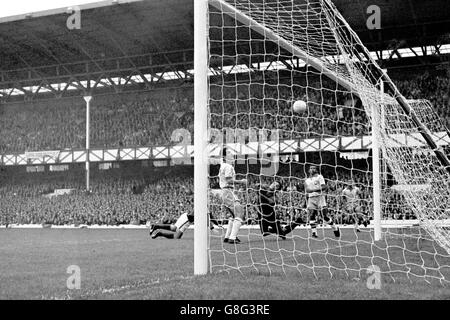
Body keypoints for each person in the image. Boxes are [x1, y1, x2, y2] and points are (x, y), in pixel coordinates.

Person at [210, 147, 247, 244]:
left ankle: (228, 237)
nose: (232, 154)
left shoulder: (224, 166)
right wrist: (241, 181)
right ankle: (233, 238)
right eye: (229, 153)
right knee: (240, 212)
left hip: (226, 192)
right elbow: (229, 180)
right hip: (228, 191)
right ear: (225, 156)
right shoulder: (228, 167)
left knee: (233, 215)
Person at [302, 165, 340, 238]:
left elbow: (324, 187)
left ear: (316, 170)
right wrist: (305, 201)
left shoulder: (320, 177)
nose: (312, 169)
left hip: (320, 197)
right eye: (311, 168)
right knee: (312, 215)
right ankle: (314, 233)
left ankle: (335, 228)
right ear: (308, 170)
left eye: (313, 168)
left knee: (324, 216)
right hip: (311, 198)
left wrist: (313, 190)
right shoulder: (306, 180)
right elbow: (307, 191)